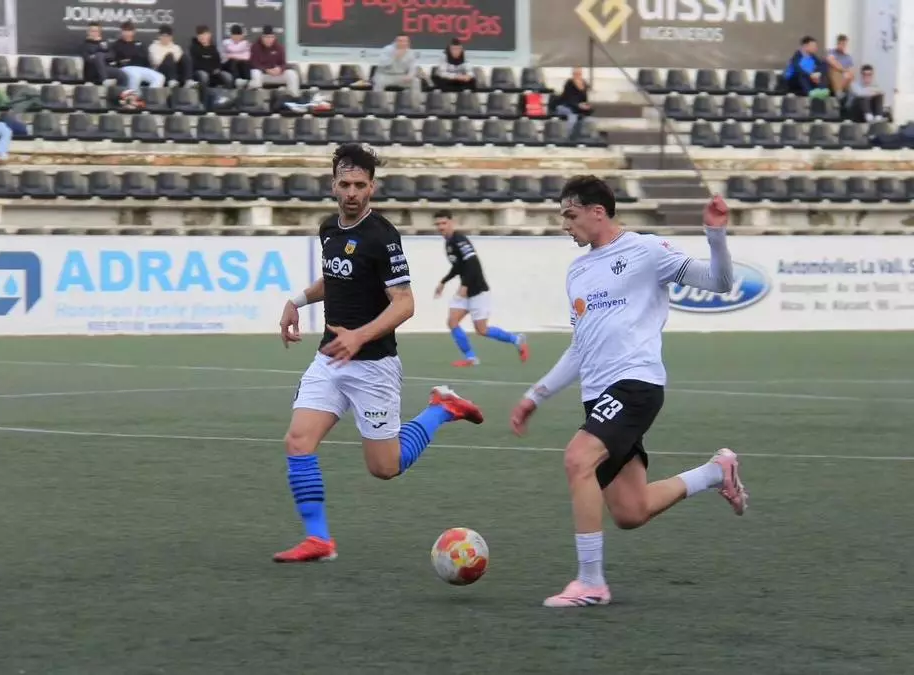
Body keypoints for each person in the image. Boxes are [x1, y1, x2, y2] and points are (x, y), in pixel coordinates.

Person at [509, 178, 747, 608]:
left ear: (598, 212)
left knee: (578, 458)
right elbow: (580, 348)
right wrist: (535, 395)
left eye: (570, 215)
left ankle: (591, 583)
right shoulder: (578, 271)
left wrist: (715, 232)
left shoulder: (647, 250)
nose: (565, 225)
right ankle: (716, 472)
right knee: (630, 511)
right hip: (598, 397)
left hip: (636, 384)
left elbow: (720, 281)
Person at [273, 144, 485, 564]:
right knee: (298, 441)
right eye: (345, 184)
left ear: (372, 187)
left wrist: (359, 337)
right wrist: (296, 301)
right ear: (333, 185)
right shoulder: (329, 228)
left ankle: (441, 409)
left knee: (385, 467)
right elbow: (335, 277)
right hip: (330, 358)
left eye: (360, 185)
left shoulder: (382, 235)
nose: (352, 192)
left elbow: (404, 303)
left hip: (373, 366)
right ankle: (319, 539)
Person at [432, 210, 529, 368]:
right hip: (466, 292)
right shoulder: (449, 243)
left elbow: (473, 264)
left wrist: (465, 285)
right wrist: (443, 282)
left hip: (477, 291)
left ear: (451, 223)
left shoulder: (460, 240)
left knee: (482, 330)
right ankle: (471, 358)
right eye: (437, 224)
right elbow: (458, 266)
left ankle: (517, 340)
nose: (441, 227)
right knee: (452, 321)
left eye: (444, 223)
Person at [110, 21, 165, 91]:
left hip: (141, 68)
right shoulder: (117, 45)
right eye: (125, 31)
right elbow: (113, 61)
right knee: (136, 75)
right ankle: (133, 97)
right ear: (121, 32)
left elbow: (146, 59)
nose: (127, 33)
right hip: (126, 68)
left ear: (133, 32)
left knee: (160, 77)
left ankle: (150, 96)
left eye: (129, 31)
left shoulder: (139, 44)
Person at [248, 25, 300, 94]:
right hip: (262, 74)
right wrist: (266, 70)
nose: (269, 40)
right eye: (266, 37)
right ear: (262, 37)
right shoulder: (255, 47)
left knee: (291, 74)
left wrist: (280, 69)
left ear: (274, 37)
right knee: (256, 73)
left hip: (275, 74)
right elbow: (254, 63)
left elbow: (283, 63)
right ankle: (254, 95)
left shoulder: (279, 47)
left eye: (271, 37)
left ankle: (293, 96)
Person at [188, 25, 233, 89]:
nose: (202, 37)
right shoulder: (194, 48)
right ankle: (203, 95)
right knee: (204, 76)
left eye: (204, 35)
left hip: (213, 73)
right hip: (199, 72)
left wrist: (217, 69)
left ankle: (225, 94)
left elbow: (218, 62)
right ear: (197, 37)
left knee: (228, 77)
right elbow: (195, 64)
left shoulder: (213, 48)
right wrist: (211, 70)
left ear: (209, 35)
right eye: (200, 35)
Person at [554, 67, 593, 137]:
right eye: (575, 74)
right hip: (565, 106)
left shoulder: (584, 84)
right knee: (573, 117)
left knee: (588, 119)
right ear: (573, 74)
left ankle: (584, 136)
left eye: (579, 74)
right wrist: (579, 105)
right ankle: (568, 136)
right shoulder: (569, 83)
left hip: (576, 108)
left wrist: (586, 106)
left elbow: (584, 100)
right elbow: (568, 99)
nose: (577, 76)